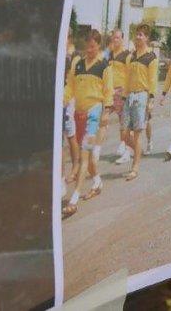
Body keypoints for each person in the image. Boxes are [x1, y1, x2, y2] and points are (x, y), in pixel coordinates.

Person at [63, 29, 113, 218]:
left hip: (94, 114)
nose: (89, 50)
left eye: (93, 46)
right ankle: (97, 182)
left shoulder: (104, 66)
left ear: (98, 45)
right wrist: (64, 100)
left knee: (85, 154)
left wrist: (106, 111)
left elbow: (108, 91)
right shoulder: (77, 63)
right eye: (87, 46)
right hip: (79, 114)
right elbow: (70, 86)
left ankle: (74, 198)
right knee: (90, 158)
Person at [121, 24, 158, 181]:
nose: (138, 37)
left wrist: (151, 100)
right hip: (129, 96)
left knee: (137, 134)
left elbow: (152, 80)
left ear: (147, 38)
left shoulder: (151, 57)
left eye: (141, 34)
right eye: (137, 34)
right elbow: (127, 78)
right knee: (124, 134)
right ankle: (139, 150)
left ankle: (134, 168)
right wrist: (124, 96)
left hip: (142, 97)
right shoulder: (131, 57)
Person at [106, 29, 132, 166]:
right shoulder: (109, 55)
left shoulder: (127, 56)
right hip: (110, 92)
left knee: (124, 123)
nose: (115, 40)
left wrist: (126, 93)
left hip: (122, 91)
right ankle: (95, 148)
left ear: (122, 39)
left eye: (117, 38)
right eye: (113, 38)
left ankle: (127, 150)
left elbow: (130, 75)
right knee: (102, 118)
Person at [62, 30, 79, 185]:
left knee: (70, 134)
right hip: (60, 96)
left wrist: (67, 99)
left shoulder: (73, 56)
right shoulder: (60, 52)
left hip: (69, 98)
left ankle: (75, 166)